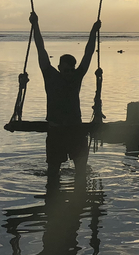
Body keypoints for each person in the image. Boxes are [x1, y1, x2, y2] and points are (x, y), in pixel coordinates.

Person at [29, 12, 100, 176]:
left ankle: (79, 196)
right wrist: (35, 25)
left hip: (75, 130)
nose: (68, 73)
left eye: (71, 70)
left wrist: (93, 32)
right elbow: (40, 48)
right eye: (65, 69)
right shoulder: (50, 75)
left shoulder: (76, 77)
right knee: (53, 172)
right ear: (59, 67)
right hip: (56, 131)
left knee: (81, 171)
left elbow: (88, 53)